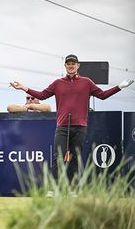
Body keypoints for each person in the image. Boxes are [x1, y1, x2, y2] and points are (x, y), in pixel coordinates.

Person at [10, 54, 134, 182]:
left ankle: (73, 188)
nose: (71, 66)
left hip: (80, 127)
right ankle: (55, 188)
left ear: (78, 66)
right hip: (62, 126)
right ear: (65, 66)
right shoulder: (58, 83)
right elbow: (42, 95)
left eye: (73, 63)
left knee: (75, 158)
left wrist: (119, 87)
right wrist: (23, 88)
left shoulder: (87, 82)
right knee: (59, 156)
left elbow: (102, 95)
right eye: (68, 64)